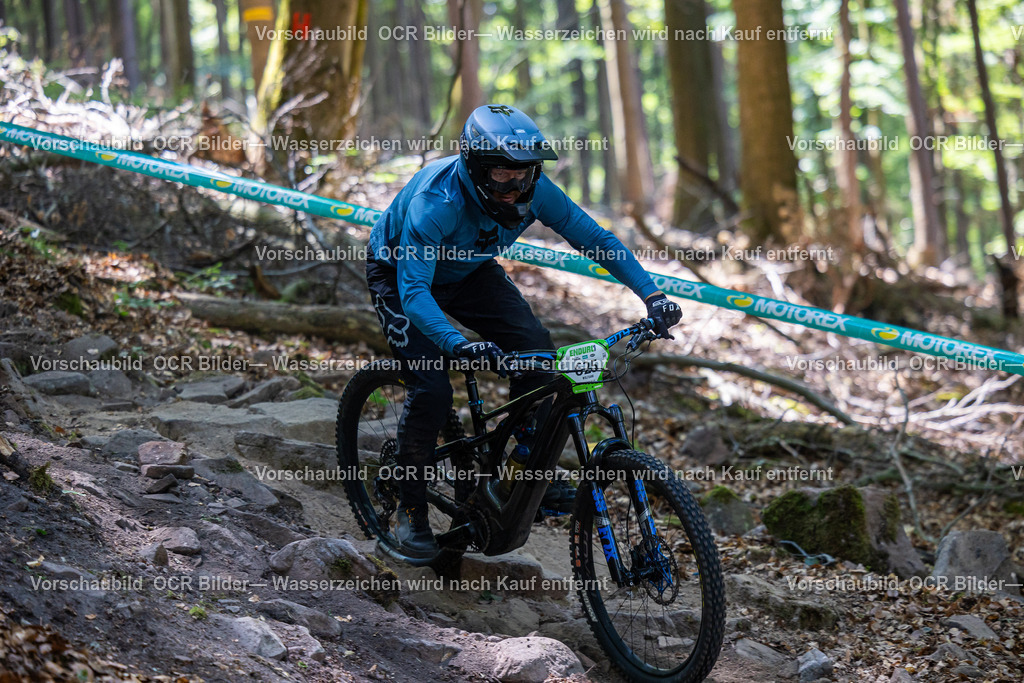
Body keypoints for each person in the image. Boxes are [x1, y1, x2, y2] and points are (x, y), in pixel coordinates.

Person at [366, 104, 682, 559]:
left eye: (525, 173)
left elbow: (598, 239)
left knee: (539, 357)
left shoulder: (536, 191)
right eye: (501, 174)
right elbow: (414, 292)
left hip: (469, 271)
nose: (515, 187)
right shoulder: (435, 204)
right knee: (431, 387)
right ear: (474, 166)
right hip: (400, 276)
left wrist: (653, 297)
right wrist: (457, 344)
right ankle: (410, 509)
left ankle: (524, 470)